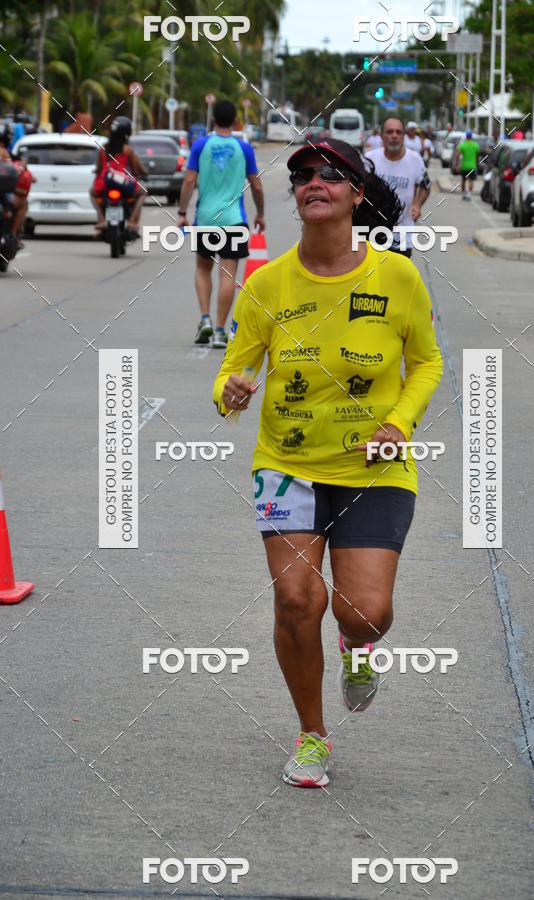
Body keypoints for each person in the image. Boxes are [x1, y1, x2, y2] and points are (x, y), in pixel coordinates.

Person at [212, 138, 443, 788]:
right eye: (304, 174)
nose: (316, 181)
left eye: (332, 174)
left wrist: (400, 422)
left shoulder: (396, 276)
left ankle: (358, 646)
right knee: (295, 599)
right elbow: (234, 368)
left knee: (364, 609)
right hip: (286, 466)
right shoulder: (266, 284)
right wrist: (227, 392)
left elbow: (426, 361)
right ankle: (312, 736)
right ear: (297, 195)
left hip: (375, 468)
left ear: (356, 193)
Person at [177, 99, 265, 348]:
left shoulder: (200, 145)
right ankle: (219, 331)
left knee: (203, 269)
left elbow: (188, 181)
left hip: (205, 219)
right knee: (228, 274)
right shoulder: (244, 149)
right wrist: (260, 213)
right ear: (236, 122)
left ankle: (204, 319)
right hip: (234, 221)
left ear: (213, 120)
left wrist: (182, 212)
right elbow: (256, 185)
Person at [365, 116, 431, 258]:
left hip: (402, 236)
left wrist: (418, 205)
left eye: (398, 132)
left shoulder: (415, 160)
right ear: (382, 135)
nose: (394, 136)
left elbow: (426, 185)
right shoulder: (369, 159)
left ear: (403, 136)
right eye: (389, 132)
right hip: (372, 235)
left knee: (399, 279)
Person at [91, 116, 147, 238]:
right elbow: (134, 171)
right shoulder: (128, 150)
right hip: (122, 181)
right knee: (142, 193)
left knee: (92, 193)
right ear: (126, 134)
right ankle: (132, 222)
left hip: (105, 182)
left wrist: (96, 173)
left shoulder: (103, 148)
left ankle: (101, 219)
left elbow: (99, 169)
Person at [457, 128, 480, 200]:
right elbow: (477, 155)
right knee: (471, 180)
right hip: (472, 166)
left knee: (463, 180)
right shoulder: (475, 145)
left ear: (466, 136)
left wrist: (458, 164)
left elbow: (458, 155)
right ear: (471, 136)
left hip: (464, 166)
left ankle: (464, 193)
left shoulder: (462, 145)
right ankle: (469, 194)